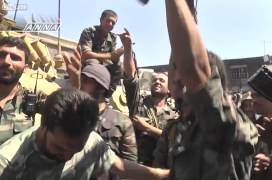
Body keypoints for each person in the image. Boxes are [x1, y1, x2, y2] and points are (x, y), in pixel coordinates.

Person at [164, 0, 258, 179]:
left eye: (186, 85)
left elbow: (192, 66)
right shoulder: (185, 129)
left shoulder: (226, 122)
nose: (179, 93)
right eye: (176, 85)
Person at [0, 88, 169, 180]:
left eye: (76, 150)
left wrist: (165, 175)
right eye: (60, 147)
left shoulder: (92, 143)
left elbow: (119, 166)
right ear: (43, 127)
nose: (67, 156)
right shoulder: (7, 162)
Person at [65, 55, 138, 180]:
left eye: (87, 80)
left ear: (101, 87)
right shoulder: (72, 114)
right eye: (82, 78)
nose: (81, 83)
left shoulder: (122, 122)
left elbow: (129, 165)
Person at [121, 29, 177, 166]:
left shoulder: (175, 112)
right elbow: (131, 78)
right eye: (155, 80)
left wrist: (147, 128)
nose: (157, 82)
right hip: (139, 167)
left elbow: (174, 139)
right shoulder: (139, 103)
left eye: (162, 81)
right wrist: (128, 48)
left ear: (169, 89)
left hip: (164, 168)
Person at [0, 36, 45, 145]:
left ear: (26, 67)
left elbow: (70, 116)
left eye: (15, 58)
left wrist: (77, 82)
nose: (6, 61)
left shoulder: (32, 98)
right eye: (1, 55)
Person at [78, 9, 124, 94]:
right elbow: (86, 54)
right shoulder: (89, 32)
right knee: (94, 64)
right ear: (101, 20)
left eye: (113, 23)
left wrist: (123, 49)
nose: (110, 24)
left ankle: (106, 95)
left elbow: (113, 57)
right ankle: (86, 92)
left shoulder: (113, 37)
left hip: (103, 63)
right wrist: (110, 55)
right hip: (86, 62)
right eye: (108, 21)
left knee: (118, 66)